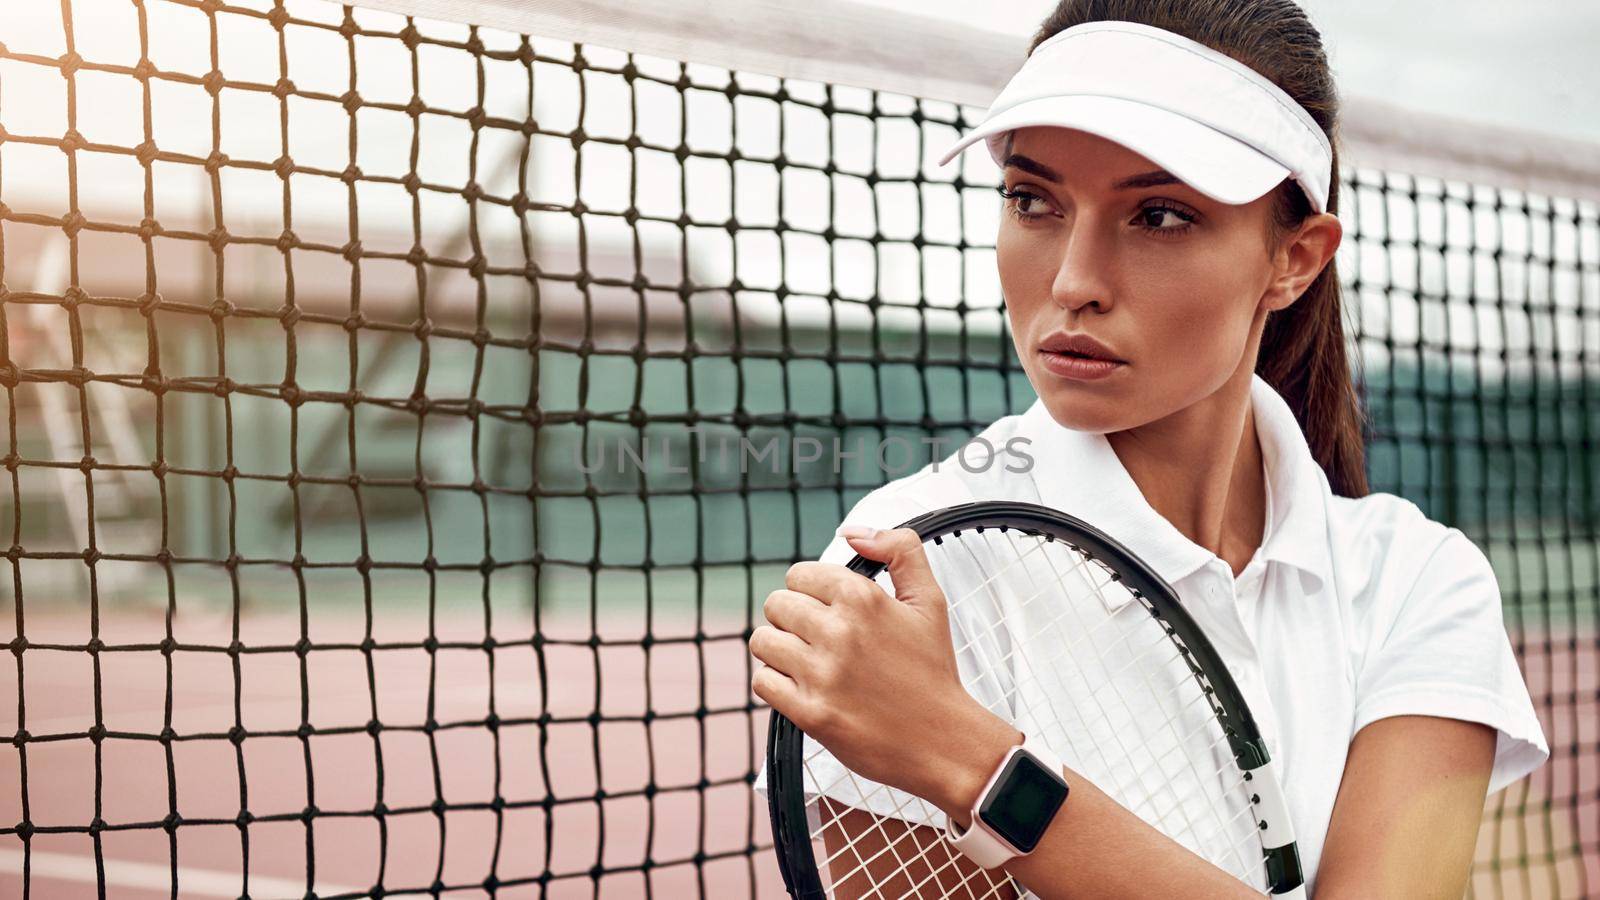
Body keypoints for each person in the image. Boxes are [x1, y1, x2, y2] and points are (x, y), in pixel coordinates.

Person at [748, 1, 1549, 897]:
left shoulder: (1419, 583)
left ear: (1295, 259)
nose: (1073, 281)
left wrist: (972, 761)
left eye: (1159, 215)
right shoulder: (907, 571)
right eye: (1032, 200)